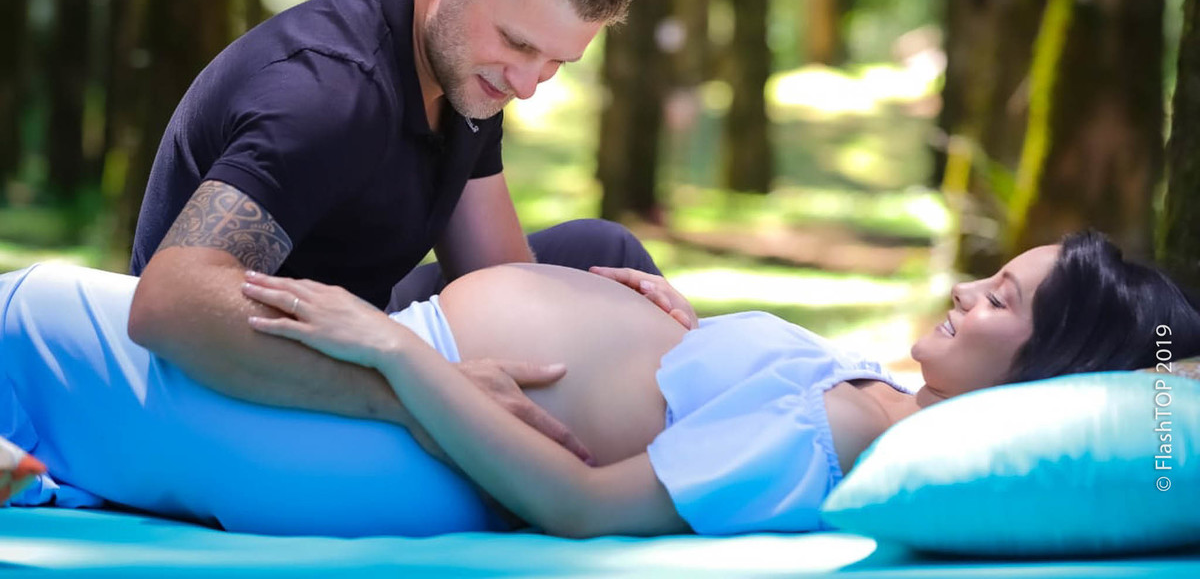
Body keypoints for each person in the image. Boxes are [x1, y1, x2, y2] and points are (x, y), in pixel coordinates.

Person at [4, 231, 1196, 536]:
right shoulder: (875, 390)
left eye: (1004, 302)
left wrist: (397, 349)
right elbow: (1165, 385)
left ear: (1040, 372)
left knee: (32, 309)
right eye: (993, 271)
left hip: (400, 426)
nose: (969, 292)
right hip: (406, 390)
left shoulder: (843, 433)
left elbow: (585, 504)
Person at [125, 0, 669, 461]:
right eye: (518, 44)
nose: (527, 84)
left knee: (604, 261)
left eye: (555, 63)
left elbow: (500, 280)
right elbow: (166, 303)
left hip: (366, 326)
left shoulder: (466, 74)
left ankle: (678, 430)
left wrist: (625, 319)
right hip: (245, 372)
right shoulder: (327, 97)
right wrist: (421, 388)